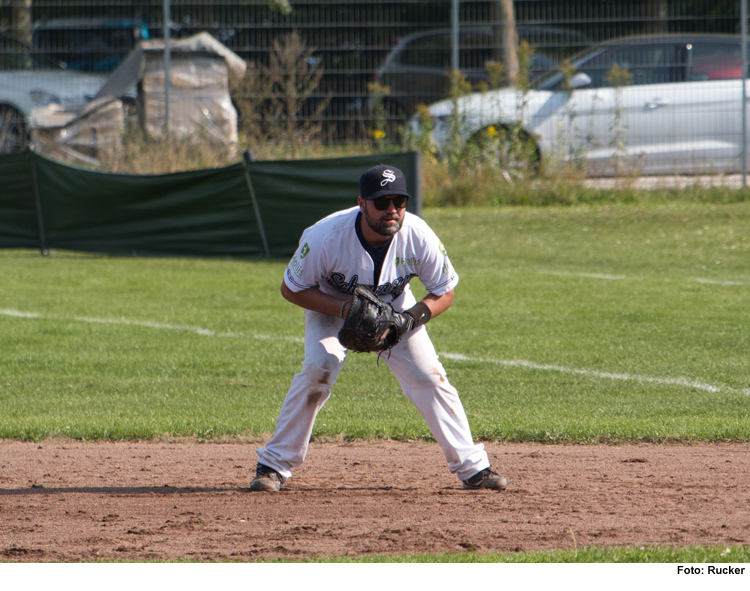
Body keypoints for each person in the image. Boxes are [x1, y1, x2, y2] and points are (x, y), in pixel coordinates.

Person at [250, 164, 508, 492]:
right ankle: (272, 465)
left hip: (396, 306)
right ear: (362, 203)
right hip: (330, 304)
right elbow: (292, 289)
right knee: (319, 367)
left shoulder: (418, 235)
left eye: (399, 201)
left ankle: (474, 468)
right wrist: (346, 309)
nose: (392, 210)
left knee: (429, 376)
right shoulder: (325, 237)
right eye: (382, 202)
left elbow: (445, 291)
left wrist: (410, 320)